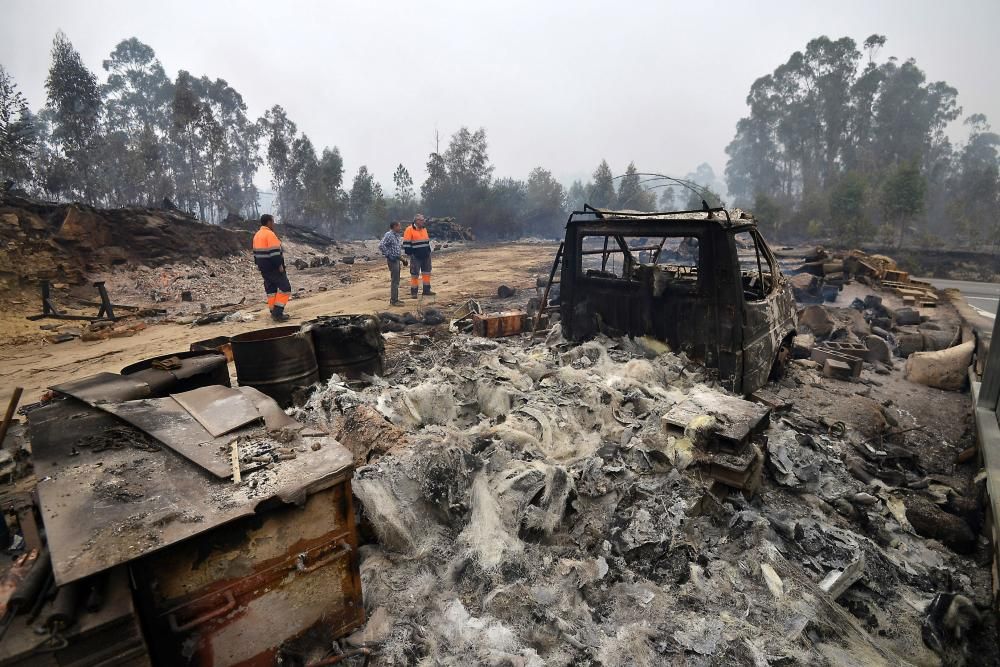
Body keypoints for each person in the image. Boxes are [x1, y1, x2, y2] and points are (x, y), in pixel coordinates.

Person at [252, 214, 292, 321]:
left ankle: (272, 311)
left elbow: (255, 254)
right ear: (269, 222)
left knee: (271, 290)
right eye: (272, 222)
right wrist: (279, 265)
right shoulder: (270, 235)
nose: (273, 224)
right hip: (273, 267)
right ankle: (277, 313)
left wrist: (259, 266)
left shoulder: (257, 235)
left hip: (263, 268)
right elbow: (274, 253)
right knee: (285, 287)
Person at [402, 213, 433, 297]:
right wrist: (411, 253)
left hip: (426, 255)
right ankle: (414, 292)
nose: (423, 221)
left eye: (423, 220)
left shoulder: (424, 229)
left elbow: (427, 241)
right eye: (421, 220)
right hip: (416, 256)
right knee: (415, 274)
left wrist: (428, 251)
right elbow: (406, 243)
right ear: (416, 221)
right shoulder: (409, 229)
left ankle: (426, 290)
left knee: (426, 273)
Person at [378, 221, 406, 305]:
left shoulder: (396, 235)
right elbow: (381, 245)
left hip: (397, 259)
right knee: (395, 280)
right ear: (394, 226)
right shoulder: (389, 235)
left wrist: (403, 260)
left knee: (397, 280)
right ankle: (394, 300)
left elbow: (396, 250)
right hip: (392, 260)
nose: (400, 228)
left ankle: (395, 299)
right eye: (399, 226)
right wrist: (388, 255)